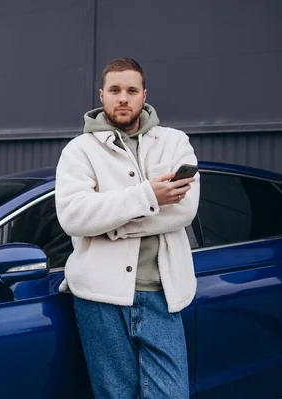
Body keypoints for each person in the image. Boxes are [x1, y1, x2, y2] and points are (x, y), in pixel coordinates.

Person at [55, 57, 200, 398]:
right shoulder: (79, 152)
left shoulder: (175, 142)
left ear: (144, 95)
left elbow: (184, 211)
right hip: (99, 297)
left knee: (171, 393)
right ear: (101, 95)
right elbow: (74, 217)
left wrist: (111, 226)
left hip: (162, 294)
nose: (123, 98)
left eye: (132, 90)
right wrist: (149, 195)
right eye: (115, 90)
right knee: (116, 394)